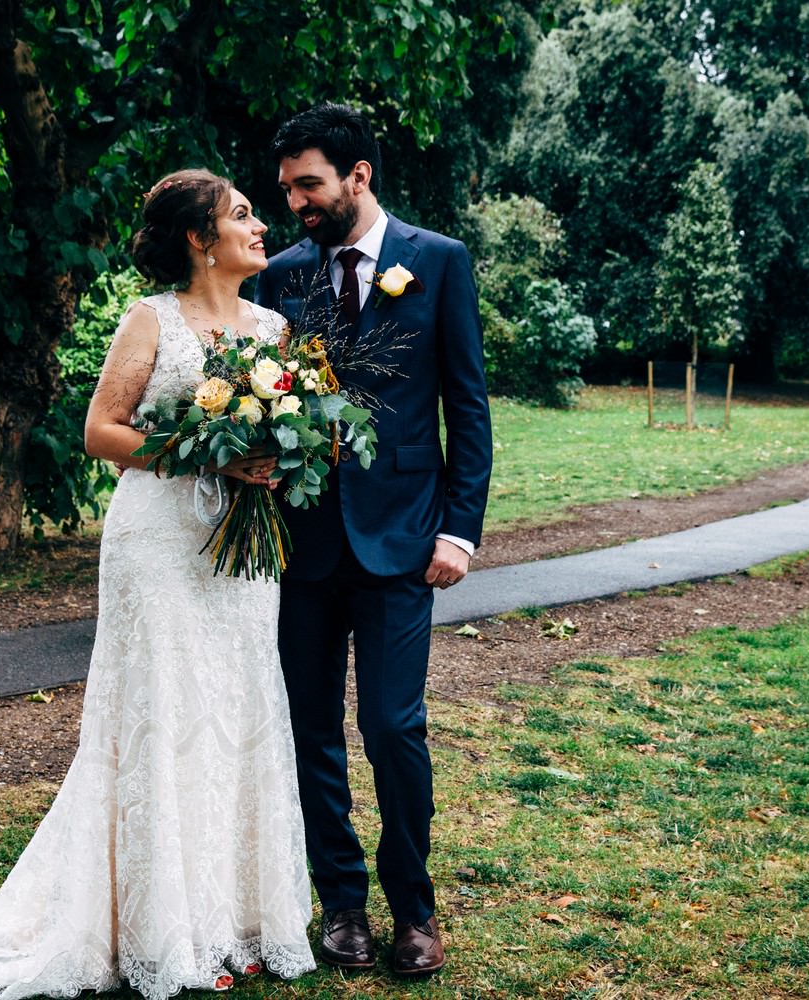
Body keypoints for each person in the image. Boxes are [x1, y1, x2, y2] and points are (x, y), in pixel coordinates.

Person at [0, 169, 317, 999]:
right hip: (158, 545)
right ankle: (156, 927)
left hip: (240, 551)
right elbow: (101, 432)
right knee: (164, 708)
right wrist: (207, 452)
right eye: (243, 215)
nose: (260, 226)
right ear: (199, 238)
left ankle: (233, 919)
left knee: (237, 706)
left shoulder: (275, 327)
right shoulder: (151, 319)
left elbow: (283, 436)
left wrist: (273, 461)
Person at [254, 103, 492, 978]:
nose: (296, 204)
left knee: (394, 729)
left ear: (358, 176)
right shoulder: (277, 277)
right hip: (302, 549)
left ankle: (415, 912)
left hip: (404, 541)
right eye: (286, 190)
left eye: (308, 185)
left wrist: (460, 530)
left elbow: (466, 407)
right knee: (311, 728)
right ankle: (343, 906)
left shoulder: (437, 262)